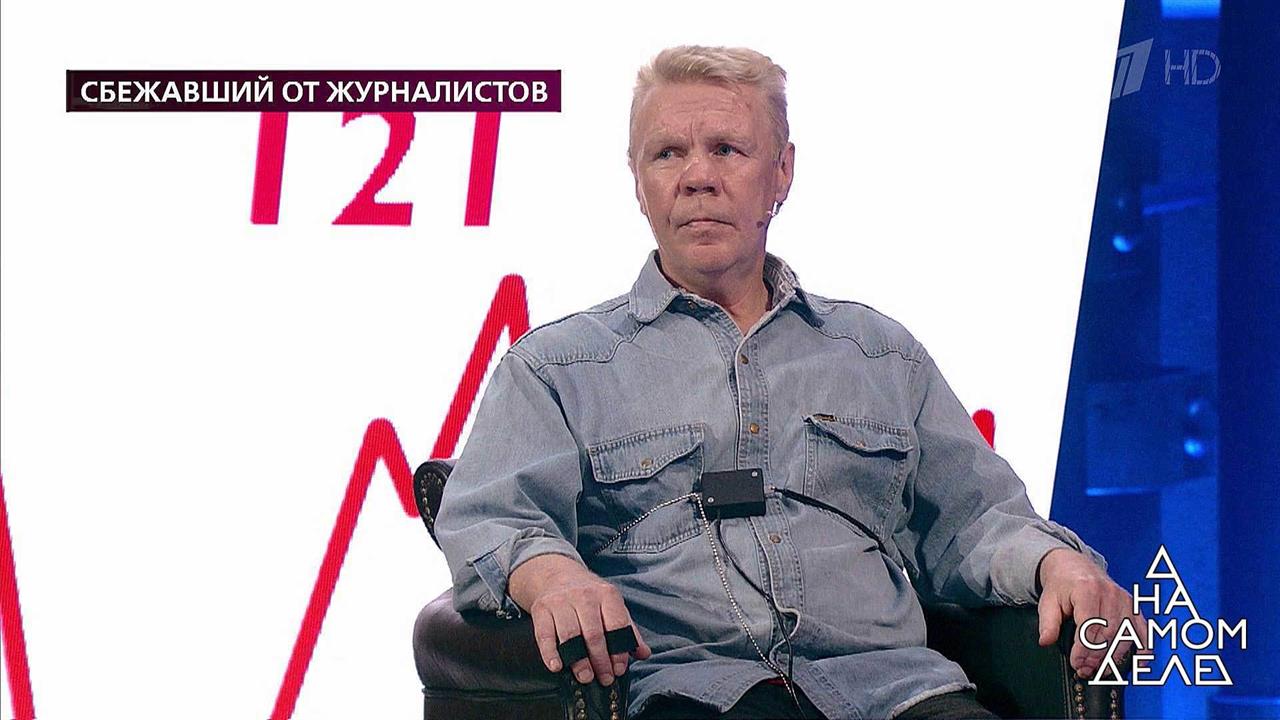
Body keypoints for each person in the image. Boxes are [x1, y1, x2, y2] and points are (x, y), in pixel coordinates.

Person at [435, 45, 1145, 720]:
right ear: (638, 182)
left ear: (781, 173)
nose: (697, 176)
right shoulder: (557, 367)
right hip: (691, 689)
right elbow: (491, 518)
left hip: (892, 689)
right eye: (667, 153)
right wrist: (552, 577)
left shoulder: (880, 356)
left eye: (727, 149)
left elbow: (977, 520)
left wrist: (1057, 563)